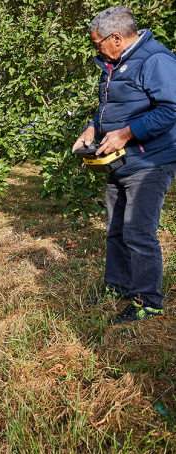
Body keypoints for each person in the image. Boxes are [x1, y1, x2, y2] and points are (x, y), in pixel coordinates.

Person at [72, 6, 176, 324]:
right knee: (116, 229)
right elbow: (110, 105)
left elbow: (170, 109)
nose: (96, 49)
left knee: (138, 231)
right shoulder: (113, 62)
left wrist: (126, 133)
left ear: (116, 37)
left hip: (150, 161)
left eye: (97, 43)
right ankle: (116, 287)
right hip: (117, 161)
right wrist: (93, 127)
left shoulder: (155, 60)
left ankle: (148, 302)